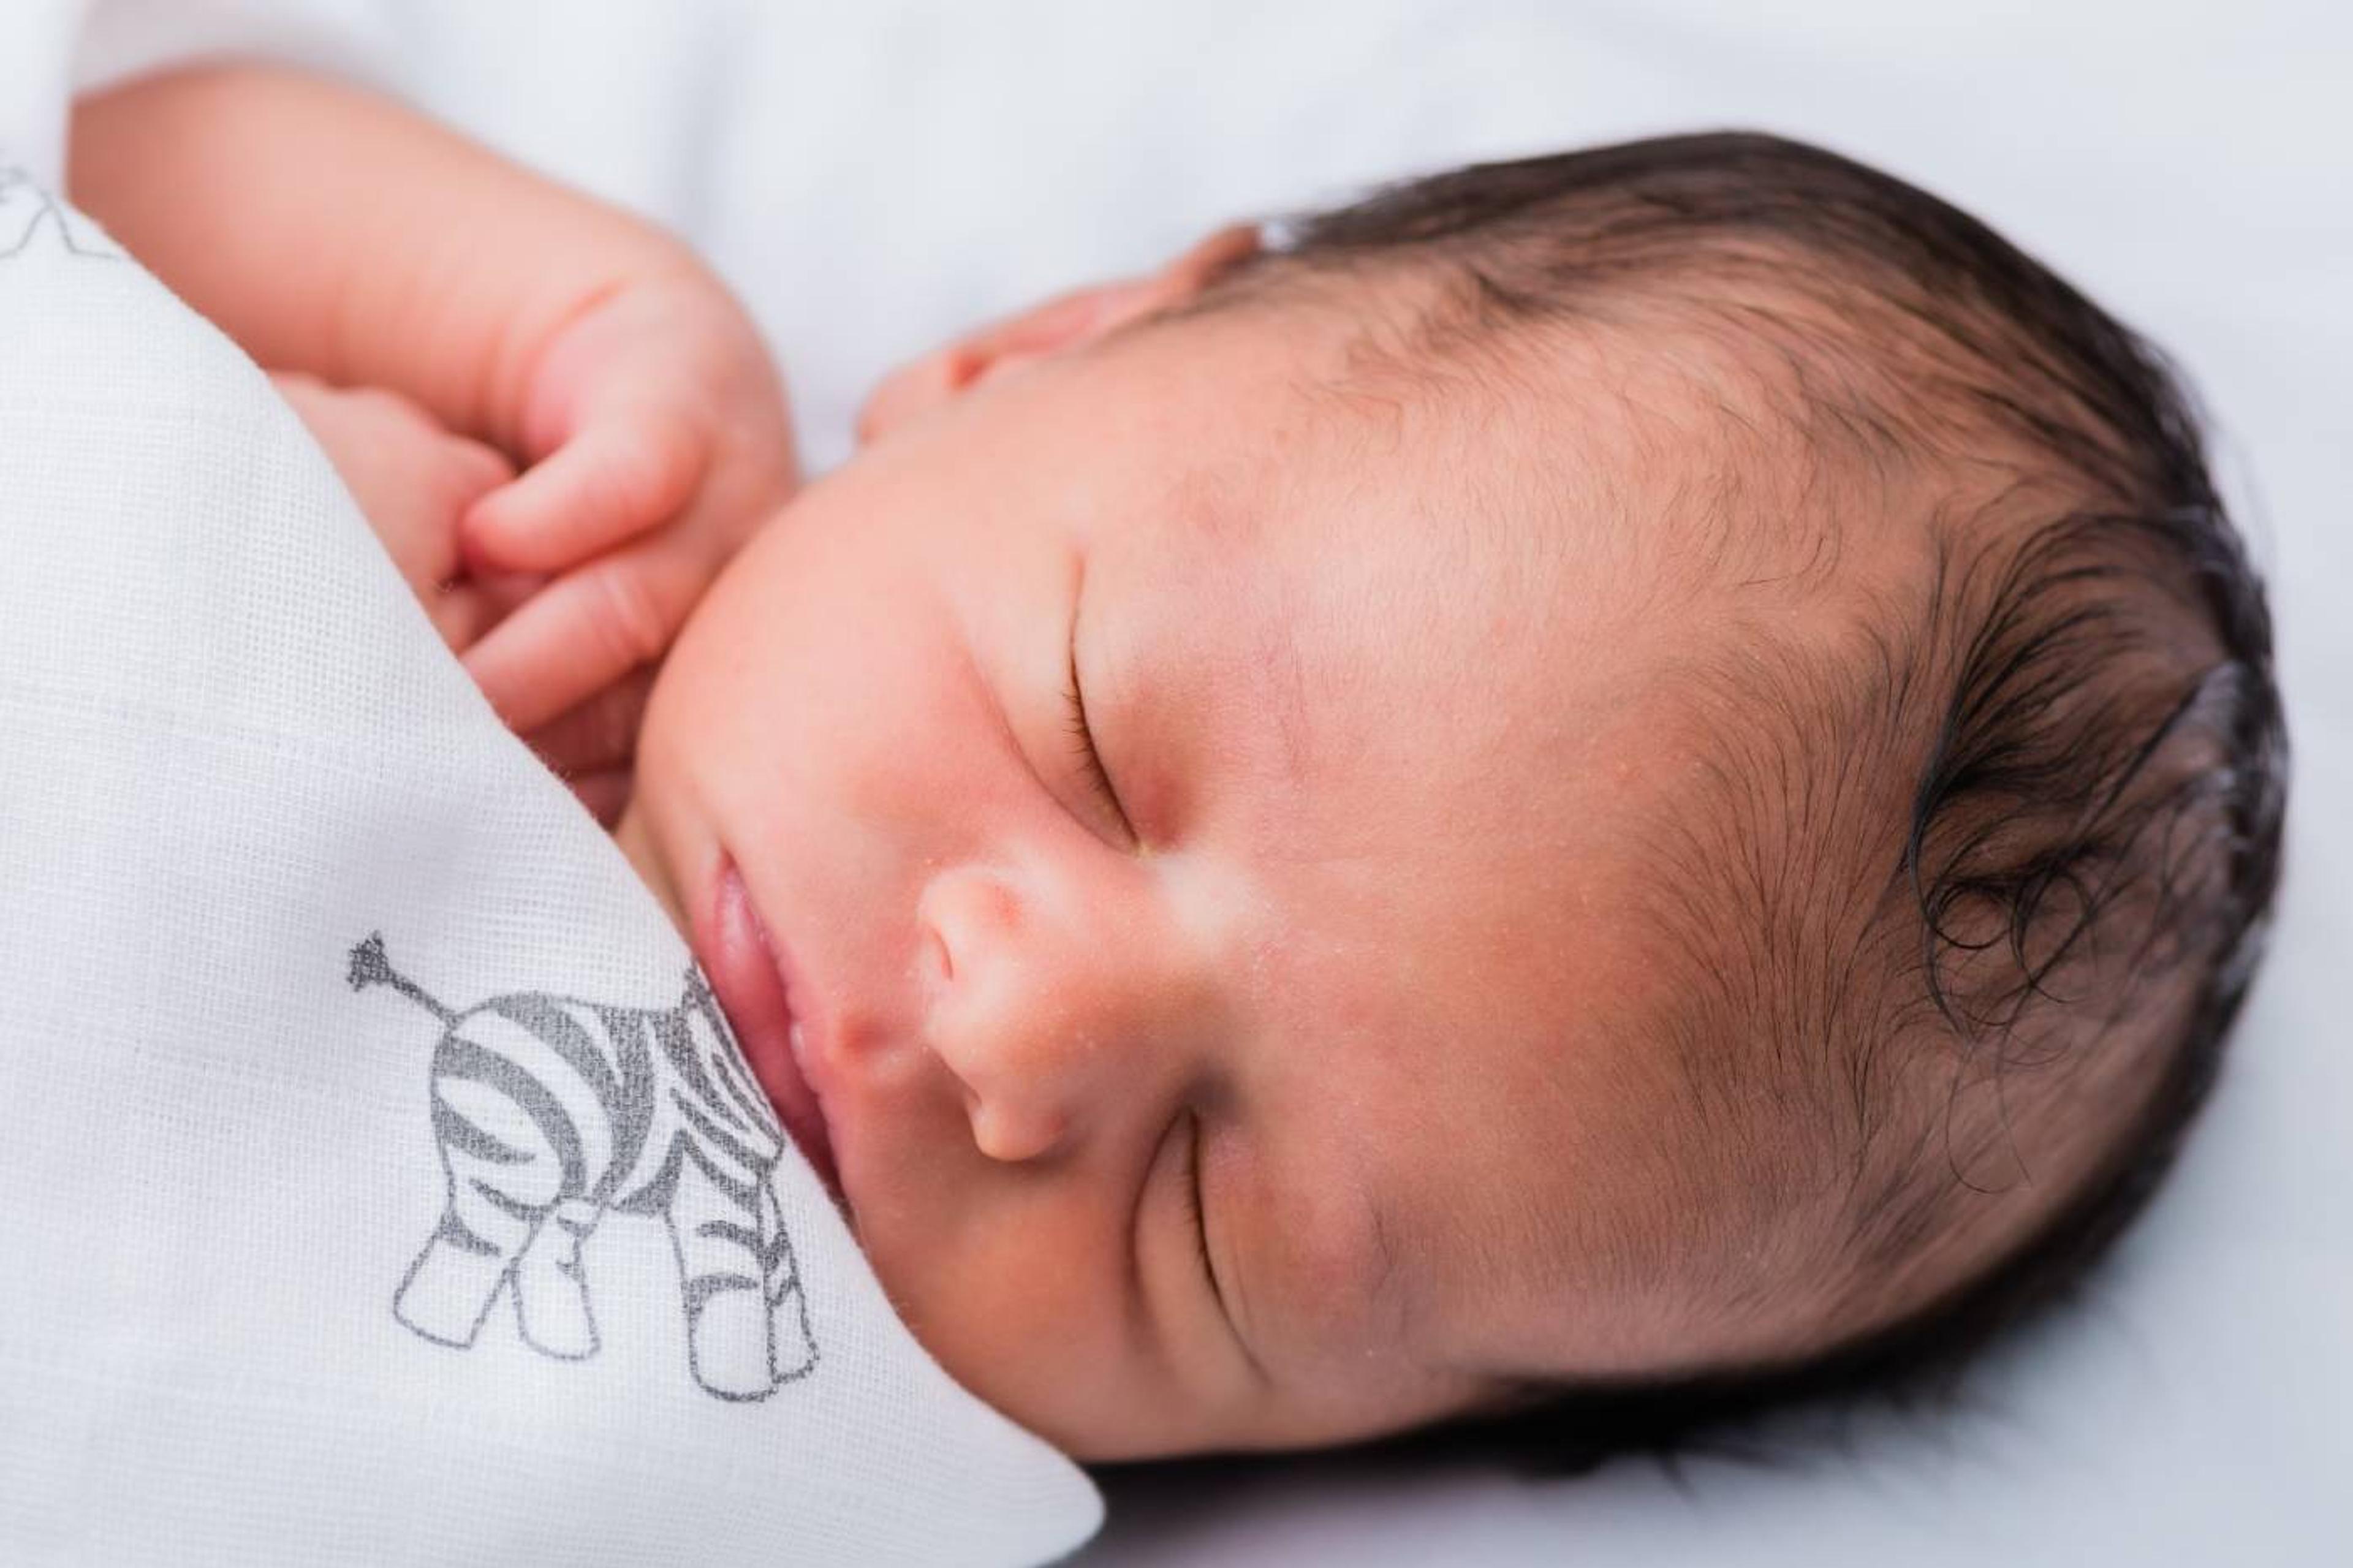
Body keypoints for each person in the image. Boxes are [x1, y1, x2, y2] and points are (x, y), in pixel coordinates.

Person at [68, 62, 2285, 1466]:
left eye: (1217, 1234)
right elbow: (103, 157)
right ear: (1034, 359)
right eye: (1095, 740)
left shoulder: (776, 1447)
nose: (1014, 1038)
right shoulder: (540, 518)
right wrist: (522, 338)